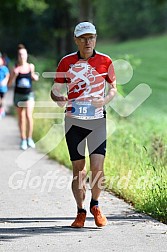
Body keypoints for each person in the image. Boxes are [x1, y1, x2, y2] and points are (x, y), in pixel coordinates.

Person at [51, 21, 117, 228]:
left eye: (91, 37)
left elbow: (113, 88)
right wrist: (58, 98)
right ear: (76, 40)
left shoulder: (106, 61)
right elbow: (55, 90)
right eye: (83, 38)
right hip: (73, 121)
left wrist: (105, 100)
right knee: (78, 170)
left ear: (95, 39)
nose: (88, 41)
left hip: (97, 120)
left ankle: (95, 206)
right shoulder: (66, 62)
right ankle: (80, 211)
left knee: (97, 168)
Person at [8, 44, 39, 150]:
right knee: (21, 118)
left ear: (26, 55)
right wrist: (14, 75)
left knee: (28, 116)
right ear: (18, 56)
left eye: (24, 54)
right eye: (20, 54)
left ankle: (30, 138)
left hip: (29, 94)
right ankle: (23, 139)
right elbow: (9, 84)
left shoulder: (31, 66)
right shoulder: (15, 68)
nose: (22, 56)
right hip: (18, 95)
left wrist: (34, 77)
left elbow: (34, 77)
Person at [0, 52, 10, 118]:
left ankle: (2, 109)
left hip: (2, 88)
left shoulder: (4, 68)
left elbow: (7, 75)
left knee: (2, 100)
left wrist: (5, 81)